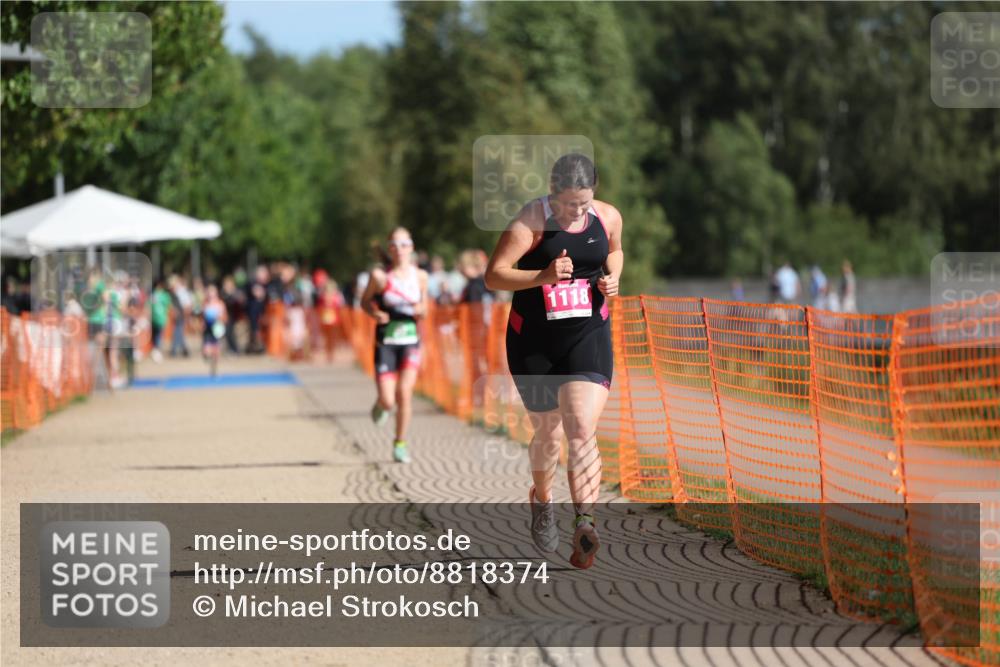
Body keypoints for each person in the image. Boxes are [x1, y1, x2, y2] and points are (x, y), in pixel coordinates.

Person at [484, 153, 622, 570]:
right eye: (567, 203)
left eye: (583, 202)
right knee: (549, 435)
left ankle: (585, 522)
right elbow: (494, 275)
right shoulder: (531, 220)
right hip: (534, 343)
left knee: (580, 426)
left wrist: (613, 275)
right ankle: (542, 500)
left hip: (587, 335)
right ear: (551, 192)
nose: (575, 211)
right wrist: (542, 276)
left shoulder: (607, 217)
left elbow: (614, 251)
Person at [361, 227, 429, 464]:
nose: (399, 249)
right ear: (389, 249)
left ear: (411, 247)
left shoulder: (420, 276)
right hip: (386, 343)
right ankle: (381, 405)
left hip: (410, 342)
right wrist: (375, 313)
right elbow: (365, 301)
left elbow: (425, 309)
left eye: (404, 244)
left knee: (404, 393)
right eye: (394, 245)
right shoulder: (380, 277)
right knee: (389, 399)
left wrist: (421, 310)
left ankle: (399, 443)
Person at [202, 284, 227, 377]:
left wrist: (219, 318)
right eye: (209, 292)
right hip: (207, 330)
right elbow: (202, 317)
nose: (210, 294)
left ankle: (214, 369)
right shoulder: (205, 304)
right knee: (207, 351)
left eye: (212, 292)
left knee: (216, 351)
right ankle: (207, 358)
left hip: (217, 329)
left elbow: (224, 317)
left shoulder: (220, 304)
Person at [317, 280, 345, 363]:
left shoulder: (336, 297)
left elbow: (339, 307)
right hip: (326, 320)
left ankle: (331, 353)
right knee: (327, 338)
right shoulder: (322, 297)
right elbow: (320, 307)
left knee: (332, 338)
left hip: (334, 321)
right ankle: (328, 353)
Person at [149, 278, 171, 363]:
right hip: (160, 318)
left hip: (155, 318)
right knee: (158, 335)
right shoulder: (164, 295)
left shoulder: (153, 295)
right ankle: (156, 350)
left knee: (156, 335)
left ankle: (155, 350)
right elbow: (168, 306)